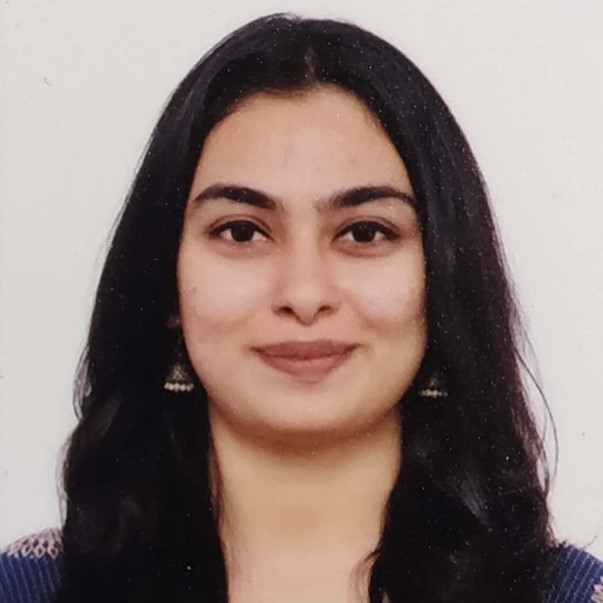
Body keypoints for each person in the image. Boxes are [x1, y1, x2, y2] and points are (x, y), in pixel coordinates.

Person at [1, 13, 601, 603]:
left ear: (443, 278)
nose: (305, 294)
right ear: (164, 282)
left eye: (364, 233)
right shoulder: (29, 590)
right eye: (242, 232)